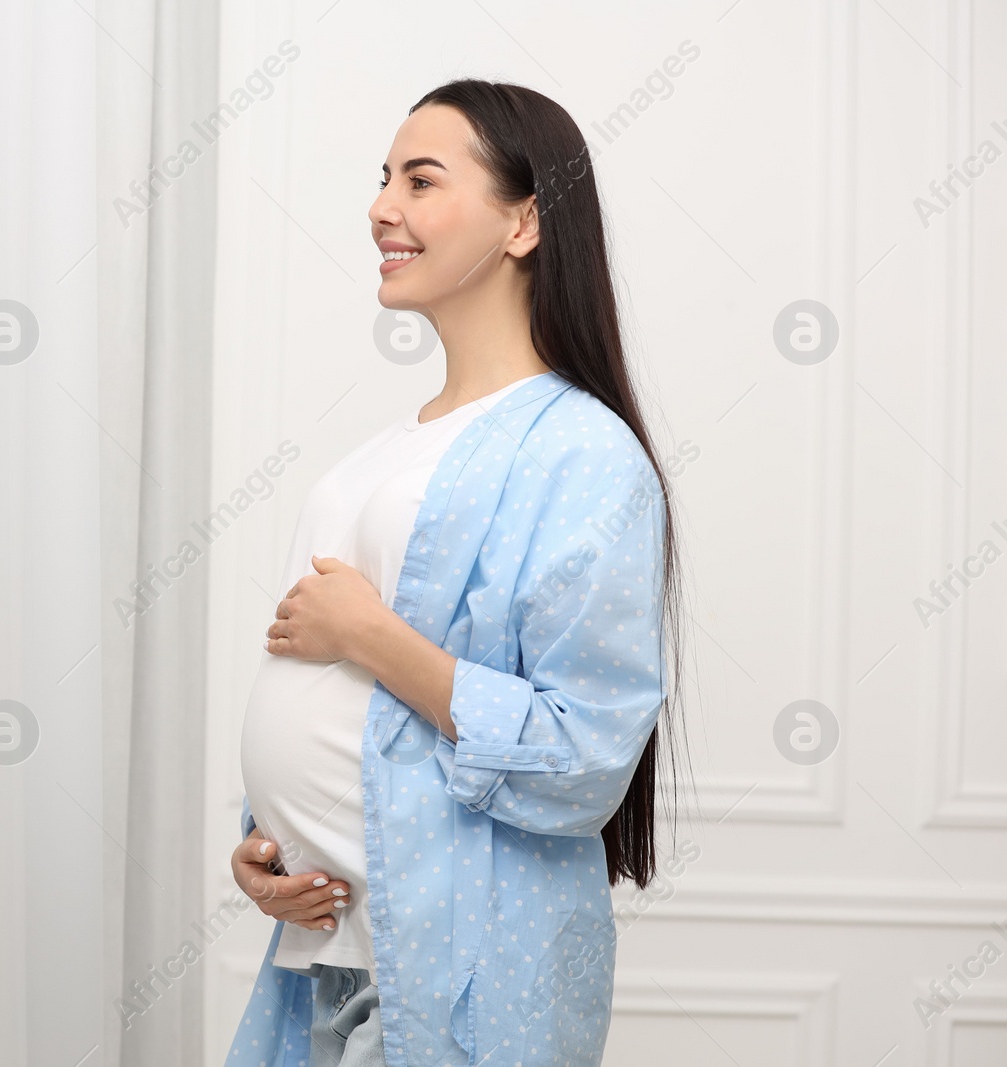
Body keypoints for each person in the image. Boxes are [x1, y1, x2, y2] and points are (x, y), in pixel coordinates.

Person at [227, 78, 687, 1066]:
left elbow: (582, 754)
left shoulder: (583, 456)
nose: (381, 207)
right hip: (333, 956)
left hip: (464, 967)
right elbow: (346, 720)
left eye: (421, 180)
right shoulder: (385, 449)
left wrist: (369, 635)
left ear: (523, 220)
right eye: (382, 178)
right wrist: (271, 848)